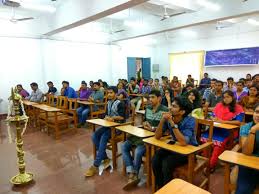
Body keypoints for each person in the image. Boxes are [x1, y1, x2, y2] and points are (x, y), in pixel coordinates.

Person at [122, 89, 168, 190]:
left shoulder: (165, 110)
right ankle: (131, 170)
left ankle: (135, 174)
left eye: (153, 97)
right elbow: (145, 121)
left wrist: (153, 129)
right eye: (149, 97)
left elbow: (166, 129)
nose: (150, 99)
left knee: (138, 151)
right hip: (144, 134)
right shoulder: (148, 108)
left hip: (155, 138)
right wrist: (145, 124)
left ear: (159, 98)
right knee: (124, 145)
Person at [152, 97, 197, 189]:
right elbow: (157, 136)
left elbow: (184, 142)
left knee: (166, 163)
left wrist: (172, 123)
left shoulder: (190, 120)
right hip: (175, 148)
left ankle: (169, 190)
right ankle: (161, 187)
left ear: (182, 112)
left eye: (174, 106)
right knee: (156, 158)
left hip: (189, 152)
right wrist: (162, 120)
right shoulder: (169, 118)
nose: (170, 108)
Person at [85, 86, 125, 177]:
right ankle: (106, 158)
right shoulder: (109, 102)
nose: (109, 94)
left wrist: (112, 118)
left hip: (118, 127)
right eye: (108, 93)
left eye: (111, 93)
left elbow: (123, 117)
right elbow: (106, 114)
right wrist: (105, 117)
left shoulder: (120, 103)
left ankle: (95, 165)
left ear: (116, 93)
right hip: (108, 126)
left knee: (103, 137)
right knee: (94, 135)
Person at [201, 90, 244, 170]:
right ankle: (206, 161)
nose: (226, 99)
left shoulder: (238, 107)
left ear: (232, 97)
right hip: (216, 128)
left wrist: (223, 121)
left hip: (229, 131)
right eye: (224, 97)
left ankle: (211, 165)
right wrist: (214, 119)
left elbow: (238, 122)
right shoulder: (219, 105)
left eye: (228, 97)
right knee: (205, 140)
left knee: (218, 145)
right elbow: (214, 116)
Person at [235, 103, 259, 194]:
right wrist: (253, 131)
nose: (258, 115)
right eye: (257, 112)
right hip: (248, 162)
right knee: (243, 190)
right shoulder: (246, 128)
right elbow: (246, 152)